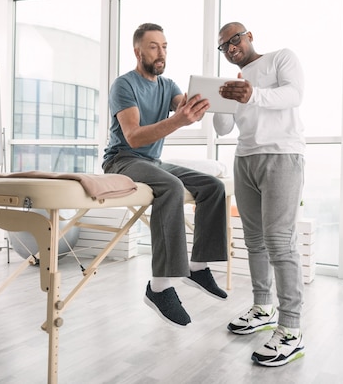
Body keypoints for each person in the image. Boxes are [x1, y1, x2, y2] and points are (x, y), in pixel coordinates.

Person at [102, 23, 229, 328]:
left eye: (165, 46)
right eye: (153, 47)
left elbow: (183, 106)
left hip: (152, 162)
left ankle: (197, 268)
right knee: (171, 187)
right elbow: (132, 137)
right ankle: (159, 287)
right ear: (138, 51)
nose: (161, 53)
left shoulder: (167, 85)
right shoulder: (124, 85)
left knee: (212, 186)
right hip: (122, 159)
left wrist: (212, 101)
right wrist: (178, 121)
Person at [213, 22, 305, 367]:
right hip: (244, 159)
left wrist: (252, 94)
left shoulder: (282, 58)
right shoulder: (233, 84)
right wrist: (215, 103)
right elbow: (224, 128)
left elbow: (294, 95)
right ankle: (264, 307)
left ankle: (292, 330)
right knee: (254, 241)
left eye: (235, 39)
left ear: (249, 36)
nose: (231, 46)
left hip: (282, 155)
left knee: (281, 242)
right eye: (224, 46)